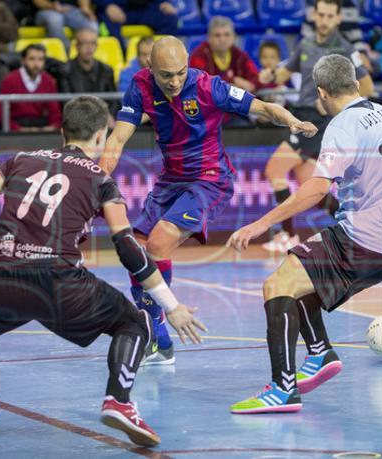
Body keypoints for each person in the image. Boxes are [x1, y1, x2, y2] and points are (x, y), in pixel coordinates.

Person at [0, 96, 206, 447]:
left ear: (61, 131)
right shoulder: (102, 180)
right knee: (134, 323)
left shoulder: (19, 160)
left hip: (0, 279)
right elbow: (128, 247)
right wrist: (171, 304)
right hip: (61, 286)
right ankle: (119, 400)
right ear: (102, 137)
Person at [227, 54, 382, 414]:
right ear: (356, 83)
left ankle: (283, 390)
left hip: (360, 240)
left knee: (276, 287)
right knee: (296, 273)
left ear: (321, 93)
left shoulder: (343, 125)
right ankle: (319, 354)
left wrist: (259, 224)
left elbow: (316, 190)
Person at [100, 36, 318, 366]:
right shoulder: (140, 86)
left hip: (209, 180)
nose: (174, 81)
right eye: (165, 75)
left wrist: (291, 121)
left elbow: (261, 107)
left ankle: (156, 332)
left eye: (179, 72)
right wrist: (99, 178)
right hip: (170, 179)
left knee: (157, 246)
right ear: (150, 69)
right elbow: (117, 138)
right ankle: (159, 340)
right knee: (136, 248)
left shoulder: (208, 87)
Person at [258, 0, 374, 252]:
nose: (324, 20)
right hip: (300, 117)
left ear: (338, 18)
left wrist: (336, 102)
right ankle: (359, 232)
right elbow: (282, 75)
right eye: (320, 14)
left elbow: (367, 88)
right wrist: (269, 75)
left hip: (319, 122)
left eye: (329, 16)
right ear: (314, 15)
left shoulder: (345, 49)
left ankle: (288, 235)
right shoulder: (305, 43)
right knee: (309, 184)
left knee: (274, 170)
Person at [0, 44, 62, 132]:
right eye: (32, 59)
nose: (36, 63)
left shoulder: (48, 80)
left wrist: (53, 126)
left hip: (41, 126)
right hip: (16, 128)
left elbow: (54, 111)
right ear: (23, 61)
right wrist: (17, 129)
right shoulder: (9, 80)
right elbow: (1, 114)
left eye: (40, 59)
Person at [60, 27, 118, 121]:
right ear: (77, 46)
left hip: (102, 119)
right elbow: (66, 104)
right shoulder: (66, 71)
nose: (89, 47)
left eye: (92, 43)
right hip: (77, 121)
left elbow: (114, 101)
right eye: (84, 43)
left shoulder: (106, 70)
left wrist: (109, 115)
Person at [189, 16, 259, 93]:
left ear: (234, 37)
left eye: (227, 35)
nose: (222, 39)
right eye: (217, 35)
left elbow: (255, 78)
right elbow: (199, 82)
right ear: (209, 38)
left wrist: (252, 84)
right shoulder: (199, 55)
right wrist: (232, 81)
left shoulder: (240, 55)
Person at [93, 0, 178, 43]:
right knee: (105, 25)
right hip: (117, 8)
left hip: (146, 8)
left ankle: (159, 56)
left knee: (170, 19)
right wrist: (107, 5)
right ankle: (122, 58)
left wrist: (164, 2)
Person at [33, 0, 98, 52]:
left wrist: (85, 7)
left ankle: (87, 58)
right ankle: (65, 54)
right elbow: (38, 2)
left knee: (92, 24)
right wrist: (52, 6)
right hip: (46, 10)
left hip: (70, 9)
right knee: (55, 20)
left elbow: (84, 5)